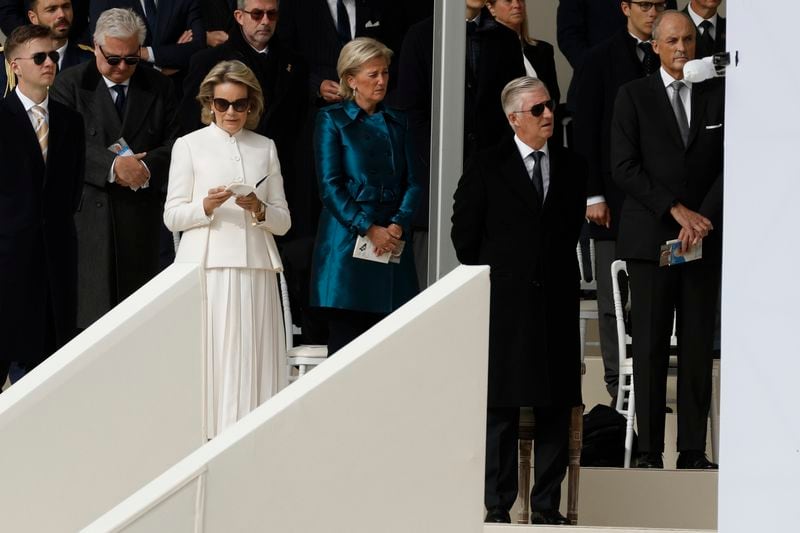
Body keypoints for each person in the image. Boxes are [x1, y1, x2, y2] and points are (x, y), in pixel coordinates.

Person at [451, 77, 585, 525]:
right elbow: (464, 236)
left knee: (554, 406)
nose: (549, 115)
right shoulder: (488, 164)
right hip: (506, 307)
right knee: (502, 409)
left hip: (558, 305)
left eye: (550, 106)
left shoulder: (571, 165)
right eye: (538, 109)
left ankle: (546, 507)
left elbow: (568, 233)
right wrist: (503, 277)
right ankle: (497, 507)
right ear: (513, 118)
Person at [610, 10, 723, 469]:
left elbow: (730, 162)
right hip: (651, 239)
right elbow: (624, 167)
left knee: (697, 344)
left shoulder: (718, 94)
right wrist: (676, 210)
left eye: (690, 40)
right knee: (652, 345)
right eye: (673, 40)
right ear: (654, 45)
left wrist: (702, 219)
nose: (682, 48)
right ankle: (650, 450)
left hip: (702, 238)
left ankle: (693, 449)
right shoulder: (632, 96)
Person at [164, 60, 290, 437]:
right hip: (208, 266)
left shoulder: (265, 147)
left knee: (255, 356)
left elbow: (283, 220)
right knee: (214, 358)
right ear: (209, 104)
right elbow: (172, 215)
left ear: (252, 105)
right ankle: (208, 438)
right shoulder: (188, 145)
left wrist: (259, 208)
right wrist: (207, 205)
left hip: (255, 265)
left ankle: (255, 438)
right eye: (223, 104)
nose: (231, 112)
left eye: (240, 104)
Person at [50, 7, 179, 330]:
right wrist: (113, 166)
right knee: (88, 321)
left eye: (131, 59)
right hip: (88, 221)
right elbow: (63, 145)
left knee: (138, 323)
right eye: (113, 59)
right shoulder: (69, 85)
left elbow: (177, 143)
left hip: (141, 219)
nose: (122, 67)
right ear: (96, 47)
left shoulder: (159, 87)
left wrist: (145, 168)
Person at [573, 0, 664, 403]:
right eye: (645, 4)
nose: (654, 12)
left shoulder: (675, 56)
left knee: (656, 296)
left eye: (661, 4)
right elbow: (584, 132)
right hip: (610, 199)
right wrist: (592, 192)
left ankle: (649, 382)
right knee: (613, 301)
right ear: (625, 7)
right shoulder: (598, 59)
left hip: (661, 202)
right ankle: (617, 387)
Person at [394, 0, 523, 287]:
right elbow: (410, 112)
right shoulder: (420, 36)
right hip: (434, 179)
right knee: (432, 286)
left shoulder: (505, 40)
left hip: (490, 179)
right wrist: (437, 161)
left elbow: (513, 110)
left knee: (485, 283)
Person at [309, 37, 420, 355]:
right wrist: (370, 228)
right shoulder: (331, 120)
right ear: (350, 79)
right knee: (347, 347)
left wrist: (396, 225)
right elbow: (330, 187)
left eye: (385, 73)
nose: (382, 81)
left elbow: (414, 182)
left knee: (391, 347)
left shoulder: (399, 122)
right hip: (347, 244)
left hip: (392, 244)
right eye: (373, 74)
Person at [0, 24, 84, 384]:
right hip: (8, 265)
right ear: (16, 65)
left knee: (50, 372)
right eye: (39, 57)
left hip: (57, 265)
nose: (49, 62)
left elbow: (73, 189)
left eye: (53, 55)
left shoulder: (71, 121)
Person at [89, 0, 204, 77]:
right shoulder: (103, 1)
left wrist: (145, 53)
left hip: (178, 92)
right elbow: (104, 49)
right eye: (135, 51)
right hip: (133, 92)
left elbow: (198, 48)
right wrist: (160, 68)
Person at [1, 0, 93, 96]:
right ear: (33, 17)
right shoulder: (6, 63)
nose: (62, 14)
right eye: (52, 10)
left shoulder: (91, 60)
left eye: (66, 7)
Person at [486, 0, 560, 105]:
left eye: (520, 0)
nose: (517, 5)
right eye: (508, 1)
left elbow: (553, 97)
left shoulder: (543, 50)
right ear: (491, 8)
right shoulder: (485, 52)